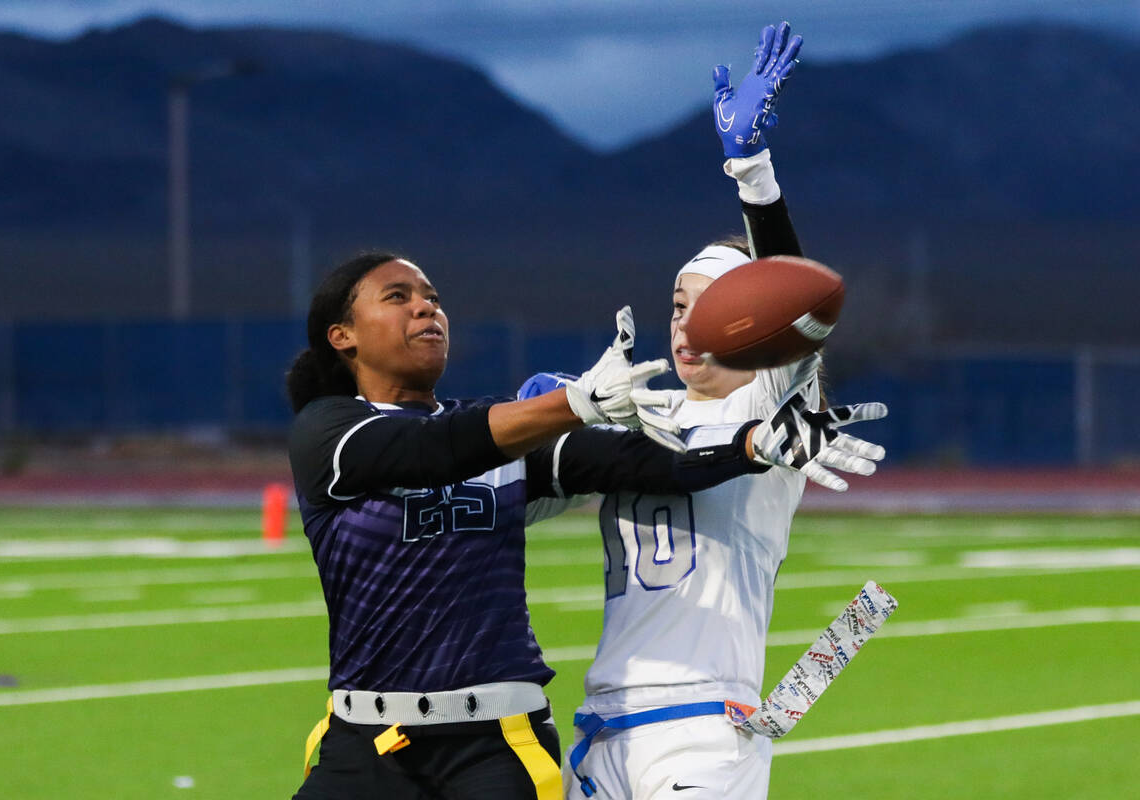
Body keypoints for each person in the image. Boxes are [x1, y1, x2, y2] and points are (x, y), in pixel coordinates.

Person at [283, 249, 870, 799]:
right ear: (343, 336)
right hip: (365, 740)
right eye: (398, 296)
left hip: (495, 745)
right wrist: (570, 405)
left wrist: (752, 445)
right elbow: (430, 450)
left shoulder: (505, 435)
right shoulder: (329, 430)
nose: (425, 306)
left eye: (432, 296)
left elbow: (642, 460)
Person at [560, 22, 888, 800]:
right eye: (680, 306)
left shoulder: (772, 407)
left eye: (715, 311)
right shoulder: (635, 413)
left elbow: (794, 293)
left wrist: (753, 175)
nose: (688, 325)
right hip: (601, 727)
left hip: (705, 729)